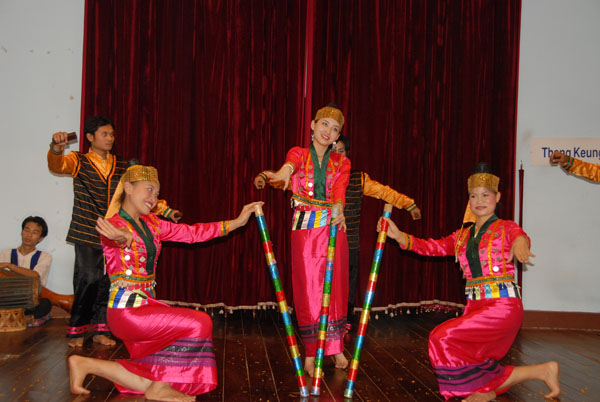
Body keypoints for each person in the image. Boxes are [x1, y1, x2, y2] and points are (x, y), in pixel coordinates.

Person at [68, 164, 263, 400]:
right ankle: (162, 386)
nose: (153, 198)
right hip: (126, 312)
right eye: (148, 190)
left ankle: (83, 364)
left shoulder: (153, 223)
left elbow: (192, 233)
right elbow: (117, 239)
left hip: (145, 307)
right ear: (128, 187)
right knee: (199, 323)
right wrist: (122, 238)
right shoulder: (116, 225)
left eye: (157, 193)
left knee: (145, 378)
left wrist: (237, 222)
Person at [379, 163, 560, 401]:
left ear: (498, 197)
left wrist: (520, 244)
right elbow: (432, 247)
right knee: (470, 355)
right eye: (474, 196)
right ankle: (542, 371)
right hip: (475, 306)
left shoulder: (506, 227)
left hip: (502, 306)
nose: (479, 200)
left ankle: (480, 391)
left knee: (441, 337)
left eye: (485, 195)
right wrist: (400, 236)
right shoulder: (462, 235)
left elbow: (520, 236)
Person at [48, 116, 182, 347]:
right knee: (88, 278)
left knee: (110, 282)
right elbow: (57, 165)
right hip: (87, 231)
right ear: (90, 137)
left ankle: (102, 330)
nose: (110, 138)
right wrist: (56, 148)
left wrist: (167, 211)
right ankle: (76, 331)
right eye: (104, 134)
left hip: (117, 233)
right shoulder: (78, 160)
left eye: (112, 134)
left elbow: (140, 196)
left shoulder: (123, 166)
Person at [255, 104, 350, 377]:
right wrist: (284, 172)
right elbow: (291, 165)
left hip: (333, 224)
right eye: (324, 125)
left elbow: (340, 187)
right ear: (312, 125)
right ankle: (311, 350)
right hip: (306, 225)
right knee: (309, 288)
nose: (328, 132)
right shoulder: (297, 153)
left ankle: (335, 346)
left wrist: (339, 207)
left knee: (335, 286)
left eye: (335, 129)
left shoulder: (342, 162)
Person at [331, 136, 421, 328]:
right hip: (324, 240)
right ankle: (324, 319)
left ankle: (346, 319)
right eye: (333, 151)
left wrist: (408, 204)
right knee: (325, 281)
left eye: (341, 151)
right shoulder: (320, 177)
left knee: (349, 282)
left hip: (350, 241)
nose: (337, 155)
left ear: (347, 154)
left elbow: (384, 192)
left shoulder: (358, 178)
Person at [0, 216, 53, 327]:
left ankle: (16, 318)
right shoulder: (5, 253)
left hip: (30, 303)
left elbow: (35, 275)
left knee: (46, 303)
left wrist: (10, 266)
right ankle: (25, 319)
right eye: (26, 230)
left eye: (35, 232)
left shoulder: (45, 257)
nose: (29, 235)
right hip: (8, 301)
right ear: (22, 232)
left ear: (41, 238)